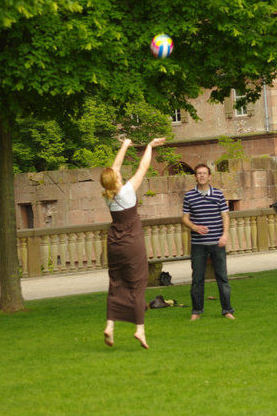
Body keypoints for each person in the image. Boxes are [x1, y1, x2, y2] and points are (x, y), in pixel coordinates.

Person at [100, 136, 166, 349]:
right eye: (117, 175)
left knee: (116, 284)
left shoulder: (107, 195)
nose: (119, 173)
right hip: (131, 244)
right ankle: (140, 330)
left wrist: (125, 145)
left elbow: (113, 168)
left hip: (113, 244)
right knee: (137, 285)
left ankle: (110, 326)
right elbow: (143, 167)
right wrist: (149, 146)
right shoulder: (127, 192)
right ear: (117, 180)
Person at [182, 163, 236, 321]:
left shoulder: (218, 194)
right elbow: (185, 217)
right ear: (195, 176)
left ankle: (227, 310)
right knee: (197, 279)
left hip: (217, 242)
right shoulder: (189, 196)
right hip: (198, 244)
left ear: (210, 176)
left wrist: (225, 235)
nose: (202, 176)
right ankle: (196, 311)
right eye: (199, 173)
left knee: (222, 278)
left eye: (204, 173)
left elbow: (225, 216)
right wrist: (194, 227)